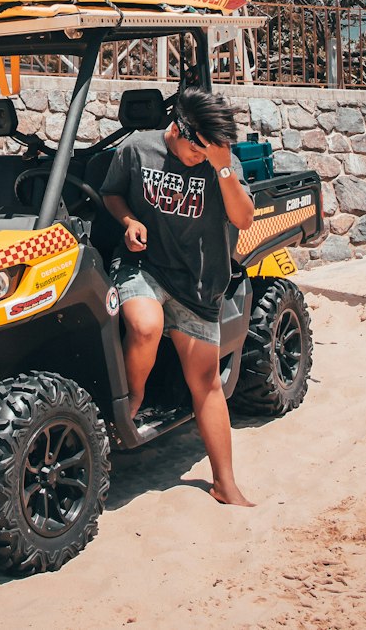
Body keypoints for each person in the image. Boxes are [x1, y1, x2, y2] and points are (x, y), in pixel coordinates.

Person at [101, 87, 256, 507]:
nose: (200, 157)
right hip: (145, 268)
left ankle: (225, 483)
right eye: (197, 148)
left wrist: (223, 168)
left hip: (199, 284)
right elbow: (111, 193)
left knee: (205, 383)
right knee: (145, 325)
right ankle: (133, 399)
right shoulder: (137, 149)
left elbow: (243, 218)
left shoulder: (221, 162)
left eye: (209, 151)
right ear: (178, 128)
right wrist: (129, 220)